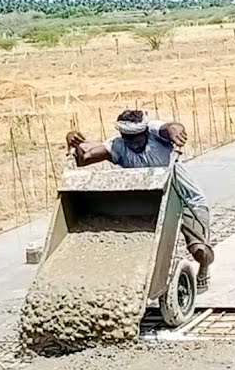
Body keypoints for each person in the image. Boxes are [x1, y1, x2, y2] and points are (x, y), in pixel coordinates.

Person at [66, 110, 214, 290]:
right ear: (122, 135)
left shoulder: (156, 134)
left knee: (200, 250)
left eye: (138, 137)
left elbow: (171, 128)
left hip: (185, 200)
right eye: (129, 138)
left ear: (144, 132)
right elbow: (85, 158)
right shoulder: (118, 146)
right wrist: (73, 141)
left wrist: (177, 130)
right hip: (153, 205)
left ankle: (204, 268)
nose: (134, 142)